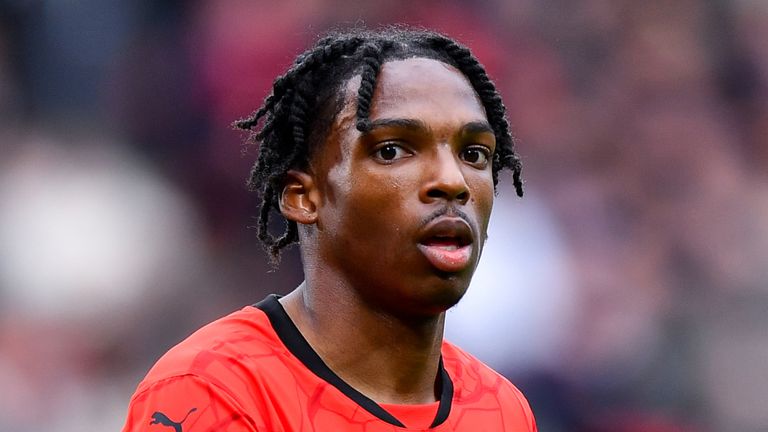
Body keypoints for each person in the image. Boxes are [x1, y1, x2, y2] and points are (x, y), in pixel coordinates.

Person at [122, 27, 536, 431]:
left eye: (474, 153)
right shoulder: (213, 391)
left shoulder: (503, 410)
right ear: (303, 196)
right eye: (392, 150)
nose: (453, 181)